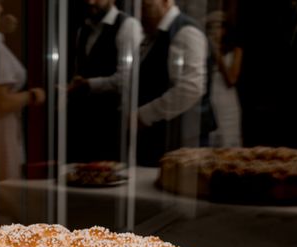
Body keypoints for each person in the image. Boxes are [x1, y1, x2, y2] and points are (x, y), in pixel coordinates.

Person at [136, 0, 216, 166]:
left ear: (166, 2)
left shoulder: (186, 31)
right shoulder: (155, 33)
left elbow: (190, 88)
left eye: (146, 6)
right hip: (163, 135)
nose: (141, 14)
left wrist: (144, 115)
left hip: (183, 136)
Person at [67, 0, 142, 164]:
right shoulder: (83, 29)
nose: (90, 1)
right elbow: (81, 69)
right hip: (84, 121)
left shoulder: (128, 26)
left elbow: (128, 79)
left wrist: (89, 84)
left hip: (112, 122)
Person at [0, 0, 45, 180]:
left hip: (8, 124)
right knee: (8, 186)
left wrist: (1, 29)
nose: (1, 8)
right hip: (3, 125)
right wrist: (33, 95)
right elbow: (3, 103)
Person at [206, 9, 242, 147]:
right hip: (210, 102)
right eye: (211, 27)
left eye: (218, 27)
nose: (215, 31)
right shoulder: (205, 51)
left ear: (225, 29)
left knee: (229, 142)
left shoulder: (236, 50)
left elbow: (231, 80)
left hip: (228, 105)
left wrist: (217, 55)